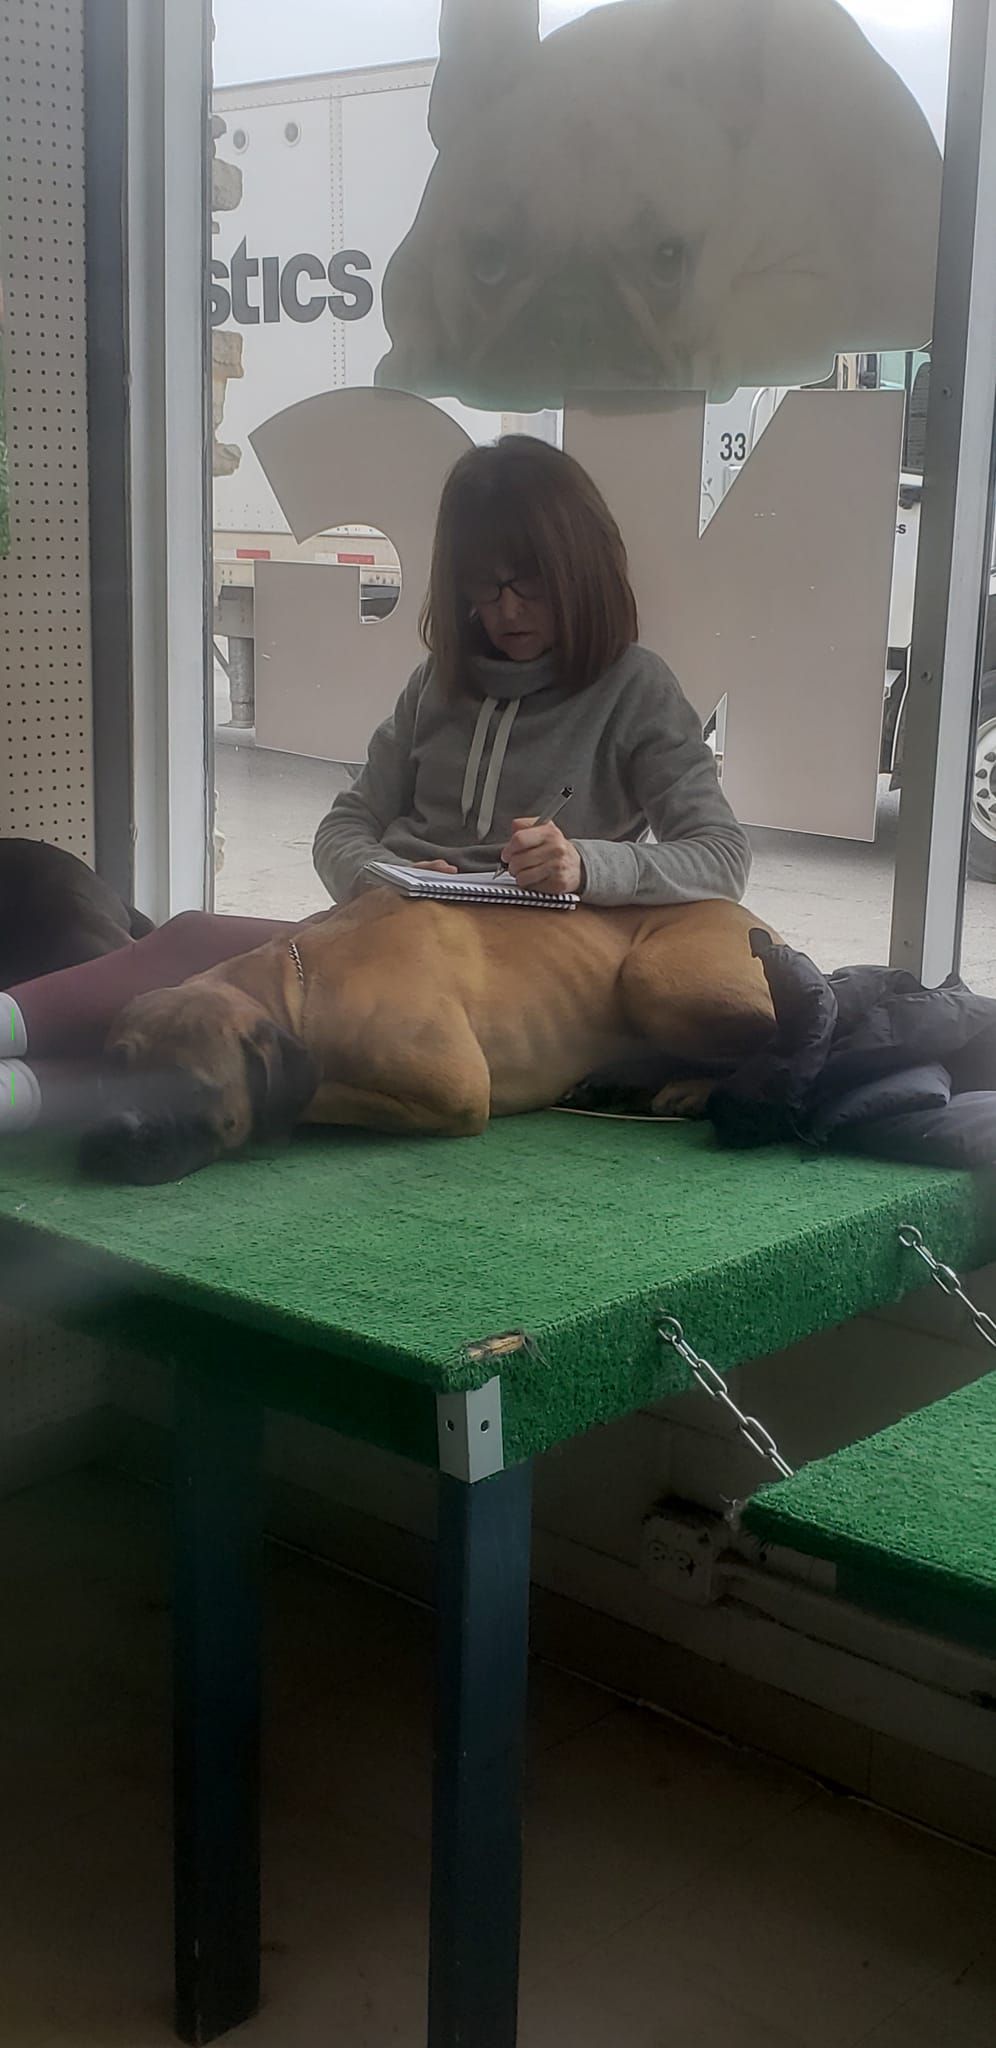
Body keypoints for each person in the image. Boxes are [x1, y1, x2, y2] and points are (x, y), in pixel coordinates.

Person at [314, 435, 750, 908]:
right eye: (485, 584)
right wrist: (382, 879)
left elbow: (722, 858)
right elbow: (342, 827)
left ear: (580, 571)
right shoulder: (437, 681)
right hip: (398, 924)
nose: (508, 610)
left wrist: (585, 867)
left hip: (527, 950)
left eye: (530, 582)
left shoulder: (636, 690)